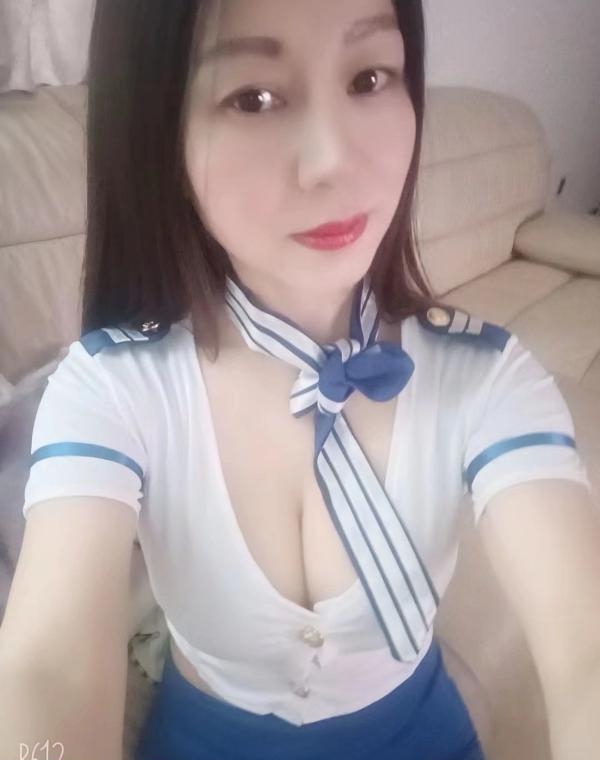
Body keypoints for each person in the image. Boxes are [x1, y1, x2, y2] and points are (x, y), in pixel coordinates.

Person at [1, 1, 599, 759]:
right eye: (253, 98)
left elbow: (585, 645)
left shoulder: (488, 376)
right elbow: (47, 668)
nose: (331, 160)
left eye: (369, 77)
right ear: (161, 134)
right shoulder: (112, 387)